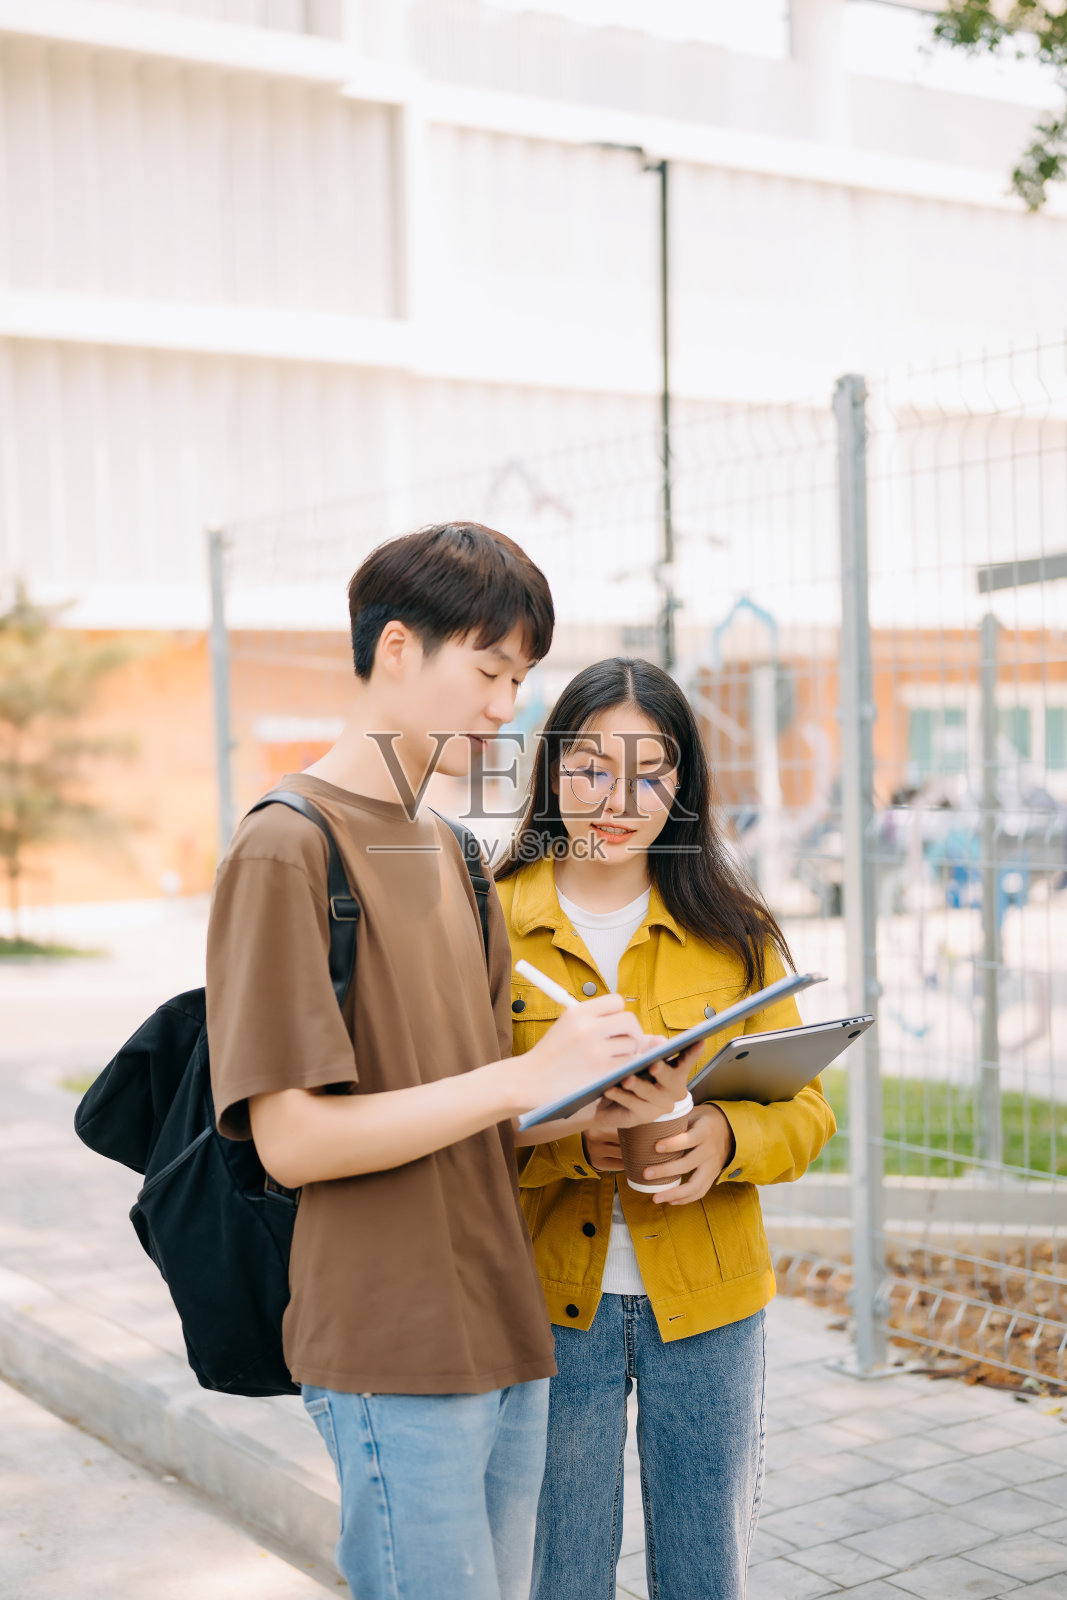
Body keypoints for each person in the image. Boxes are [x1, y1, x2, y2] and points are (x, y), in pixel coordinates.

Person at [205, 526, 695, 1600]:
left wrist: (594, 1098)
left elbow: (481, 1114)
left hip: (503, 1325)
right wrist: (523, 1077)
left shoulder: (453, 854)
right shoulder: (286, 844)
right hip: (389, 1340)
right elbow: (291, 1141)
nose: (503, 705)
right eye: (485, 670)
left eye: (517, 677)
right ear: (393, 649)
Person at [495, 656, 837, 1600]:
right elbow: (455, 1119)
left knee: (702, 1573)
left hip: (713, 1307)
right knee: (559, 1572)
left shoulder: (734, 929)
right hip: (550, 1308)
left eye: (649, 772)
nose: (617, 798)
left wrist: (725, 1140)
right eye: (590, 767)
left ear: (682, 783)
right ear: (550, 770)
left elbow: (806, 1112)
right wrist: (572, 1141)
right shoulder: (488, 925)